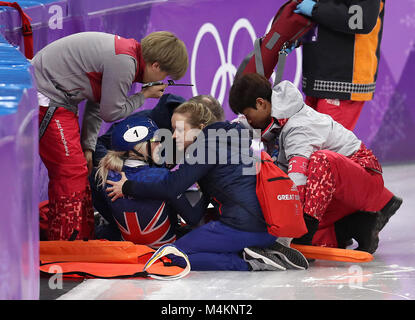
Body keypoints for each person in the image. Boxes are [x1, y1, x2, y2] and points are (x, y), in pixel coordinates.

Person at [105, 100, 309, 271]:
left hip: (243, 226)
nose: (174, 136)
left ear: (200, 128)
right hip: (266, 227)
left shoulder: (205, 147)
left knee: (174, 255)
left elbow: (171, 187)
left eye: (179, 130)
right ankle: (261, 248)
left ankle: (250, 263)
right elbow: (195, 212)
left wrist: (127, 187)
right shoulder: (227, 140)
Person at [32, 31, 188, 240]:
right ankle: (66, 245)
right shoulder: (124, 63)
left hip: (58, 95)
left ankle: (78, 239)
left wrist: (88, 146)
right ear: (156, 66)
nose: (164, 82)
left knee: (80, 169)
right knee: (72, 172)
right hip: (47, 94)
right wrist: (143, 95)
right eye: (165, 76)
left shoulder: (130, 57)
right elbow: (111, 113)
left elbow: (97, 103)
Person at [228, 73, 402, 252]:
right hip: (335, 191)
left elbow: (297, 183)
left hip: (365, 179)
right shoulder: (271, 116)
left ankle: (306, 237)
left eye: (248, 115)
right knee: (275, 226)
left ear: (261, 103)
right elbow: (240, 126)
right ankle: (358, 226)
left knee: (319, 162)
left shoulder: (299, 128)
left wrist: (292, 237)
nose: (248, 121)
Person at [91, 116, 209, 248]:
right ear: (138, 147)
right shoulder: (162, 176)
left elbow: (109, 215)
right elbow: (192, 218)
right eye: (155, 140)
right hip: (163, 251)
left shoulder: (102, 175)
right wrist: (208, 192)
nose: (160, 144)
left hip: (127, 249)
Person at [294, 0, 385, 130]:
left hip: (345, 80)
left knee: (326, 147)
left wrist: (316, 9)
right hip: (316, 76)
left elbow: (361, 19)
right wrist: (296, 37)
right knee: (307, 145)